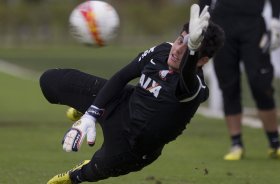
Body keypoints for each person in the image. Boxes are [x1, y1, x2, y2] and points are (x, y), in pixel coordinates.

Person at [40, 4, 225, 184]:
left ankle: (77, 176)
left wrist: (192, 50)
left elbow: (187, 75)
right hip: (121, 104)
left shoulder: (194, 87)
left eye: (187, 50)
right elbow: (122, 77)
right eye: (179, 40)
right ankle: (89, 109)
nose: (176, 50)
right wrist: (91, 114)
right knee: (49, 82)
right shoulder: (162, 51)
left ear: (202, 60)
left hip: (133, 147)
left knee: (89, 172)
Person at [199, 0, 280, 160]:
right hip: (221, 24)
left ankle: (274, 142)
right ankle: (236, 143)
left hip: (253, 25)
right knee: (228, 84)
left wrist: (275, 20)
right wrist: (201, 21)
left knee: (261, 83)